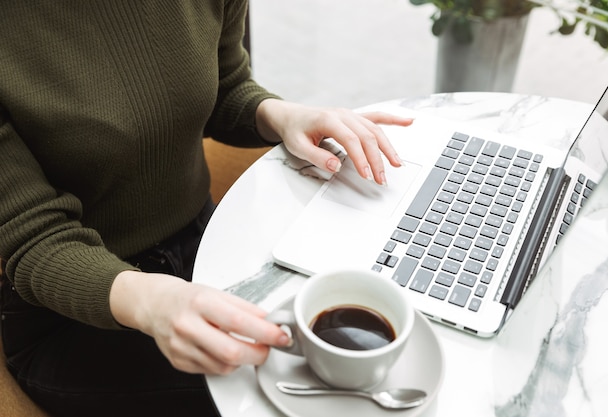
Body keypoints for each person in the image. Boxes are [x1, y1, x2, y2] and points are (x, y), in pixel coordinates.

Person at [0, 2, 413, 416]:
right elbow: (33, 237)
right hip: (77, 311)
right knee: (303, 387)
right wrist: (152, 303)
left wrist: (283, 115)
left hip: (205, 240)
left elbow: (224, 85)